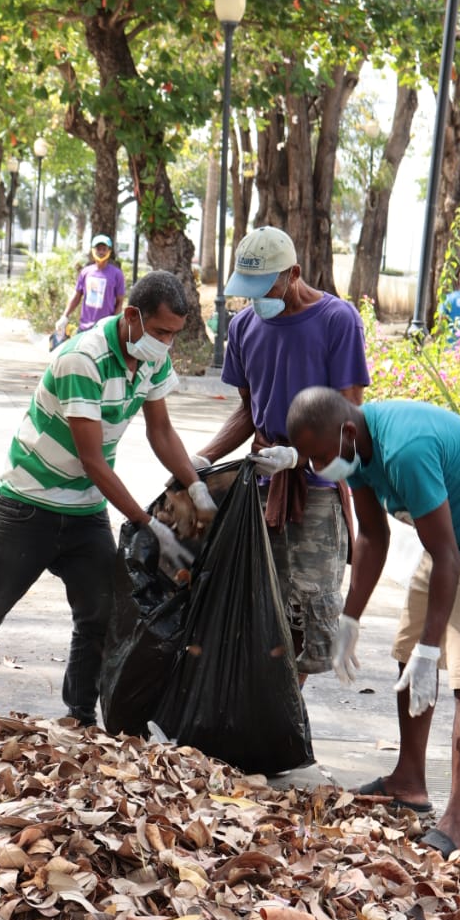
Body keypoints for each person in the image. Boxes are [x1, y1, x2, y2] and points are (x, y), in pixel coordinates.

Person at [0, 271, 216, 724]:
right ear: (131, 315)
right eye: (161, 332)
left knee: (99, 613)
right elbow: (93, 460)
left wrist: (196, 486)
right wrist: (148, 522)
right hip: (28, 504)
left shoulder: (153, 359)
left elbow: (160, 430)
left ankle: (79, 715)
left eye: (175, 334)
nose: (167, 344)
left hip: (84, 511)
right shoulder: (84, 359)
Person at [286, 387, 460, 857]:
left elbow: (446, 556)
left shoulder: (405, 450)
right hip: (452, 540)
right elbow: (372, 535)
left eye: (320, 456)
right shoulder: (355, 450)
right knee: (408, 654)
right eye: (308, 459)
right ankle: (409, 782)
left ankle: (457, 822)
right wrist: (351, 618)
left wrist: (435, 650)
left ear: (346, 433)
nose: (317, 468)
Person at [192, 226, 370, 679]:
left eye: (264, 286)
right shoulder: (245, 326)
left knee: (312, 612)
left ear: (292, 274)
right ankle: (270, 713)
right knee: (261, 606)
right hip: (261, 486)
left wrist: (299, 457)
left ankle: (286, 712)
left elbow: (351, 418)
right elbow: (249, 412)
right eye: (246, 289)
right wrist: (204, 458)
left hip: (317, 487)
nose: (254, 298)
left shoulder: (337, 320)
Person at [59, 235, 126, 336]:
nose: (101, 252)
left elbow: (120, 302)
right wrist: (64, 316)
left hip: (105, 330)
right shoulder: (85, 272)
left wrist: (114, 324)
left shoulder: (117, 274)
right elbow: (76, 297)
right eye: (98, 249)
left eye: (104, 249)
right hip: (84, 328)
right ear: (93, 250)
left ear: (109, 251)